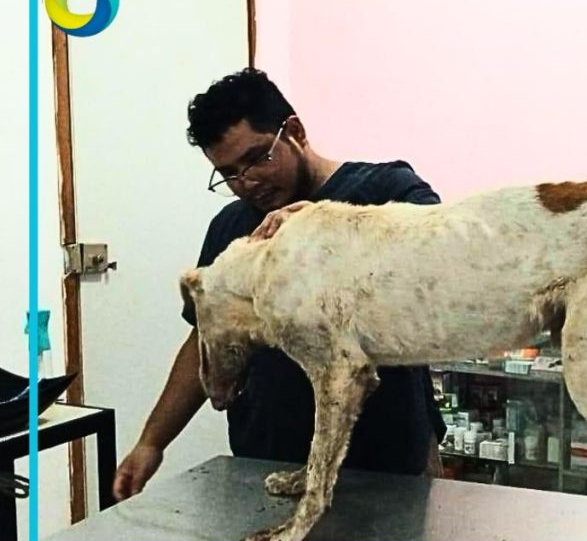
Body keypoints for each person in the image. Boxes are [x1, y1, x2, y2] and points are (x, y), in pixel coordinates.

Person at [112, 68, 446, 500]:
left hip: (384, 466)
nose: (246, 182)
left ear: (295, 132)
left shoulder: (383, 188)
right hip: (265, 463)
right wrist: (152, 442)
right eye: (228, 173)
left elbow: (438, 243)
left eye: (256, 159)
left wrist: (322, 222)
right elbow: (205, 338)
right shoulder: (231, 229)